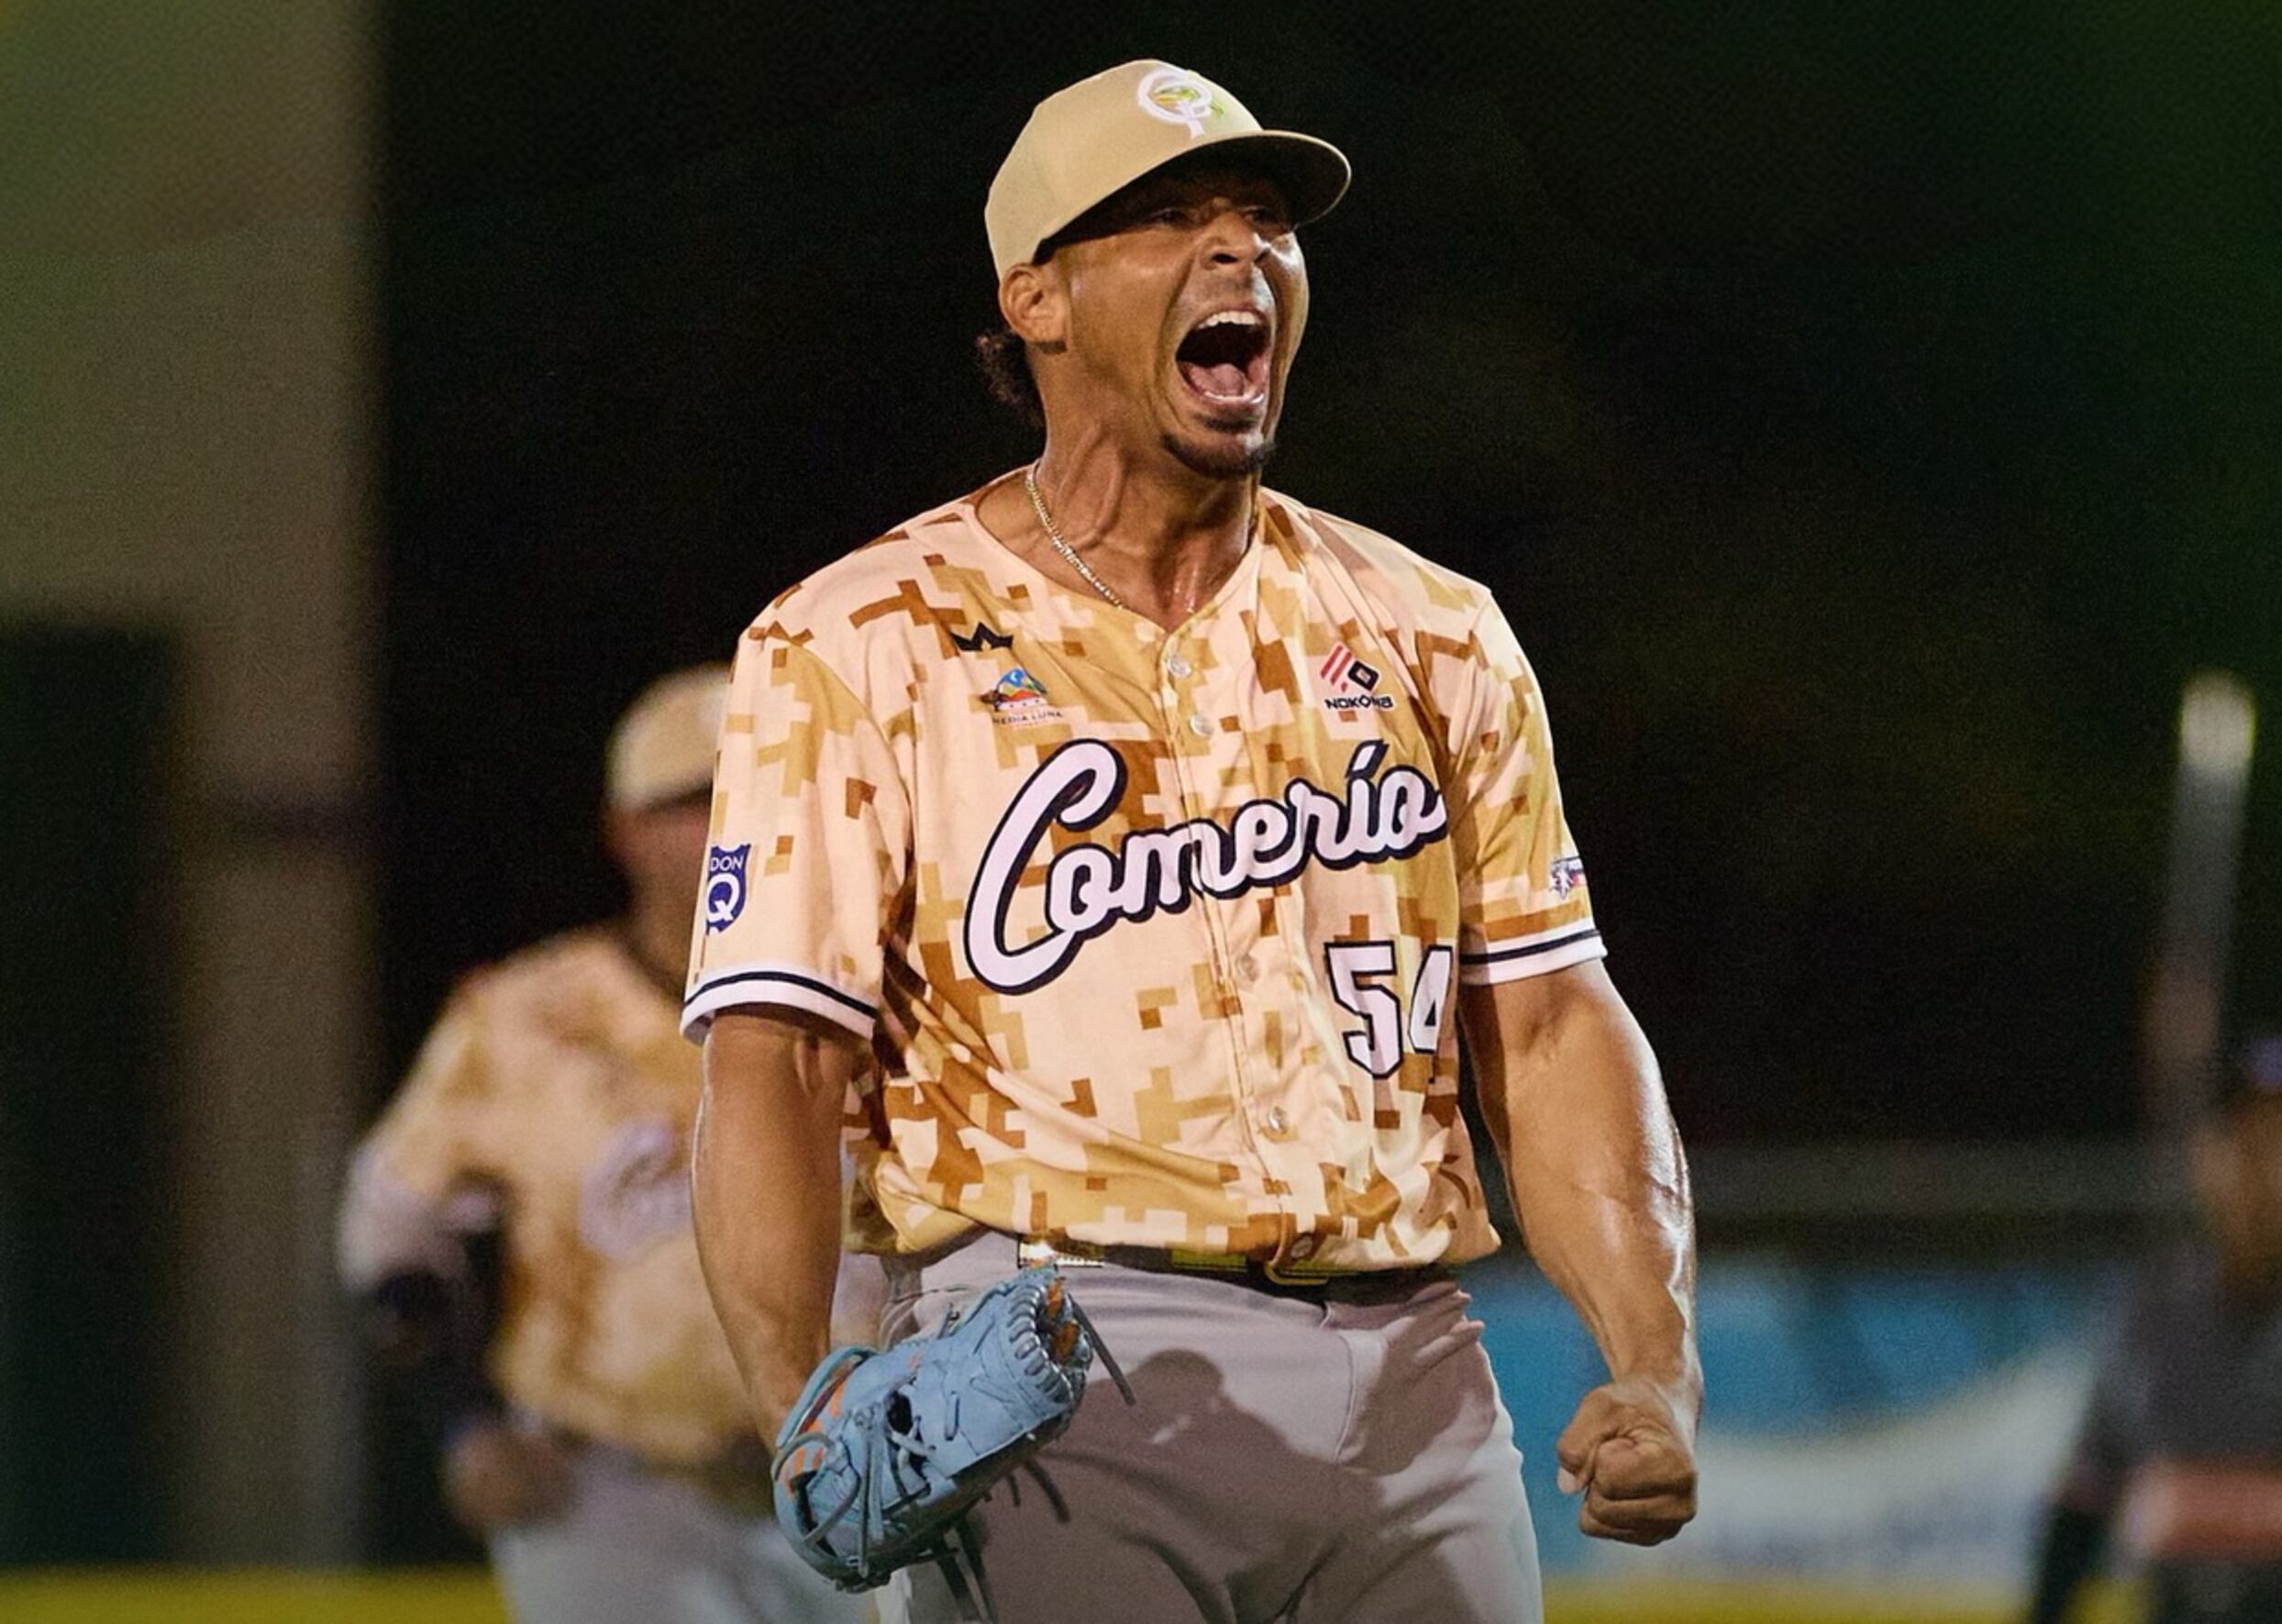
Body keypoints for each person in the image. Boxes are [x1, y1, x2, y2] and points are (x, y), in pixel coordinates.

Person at [686, 61, 1700, 1624]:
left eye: (1263, 220)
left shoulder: (1428, 629)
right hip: (1052, 1378)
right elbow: (772, 1060)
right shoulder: (861, 637)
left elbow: (1555, 1022)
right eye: (1168, 219)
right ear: (1035, 296)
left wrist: (1653, 1360)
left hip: (1416, 1372)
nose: (1241, 253)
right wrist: (799, 1394)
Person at [339, 666, 874, 1624]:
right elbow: (392, 1233)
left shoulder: (893, 1002)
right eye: (692, 798)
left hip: (865, 1475)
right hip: (609, 1492)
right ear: (625, 832)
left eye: (759, 787)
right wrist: (463, 1426)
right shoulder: (527, 1020)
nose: (730, 818)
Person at [2027, 1034, 2282, 1623]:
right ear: (2207, 1160)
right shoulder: (2151, 1314)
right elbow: (2086, 1495)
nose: (2270, 1174)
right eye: (2250, 1146)